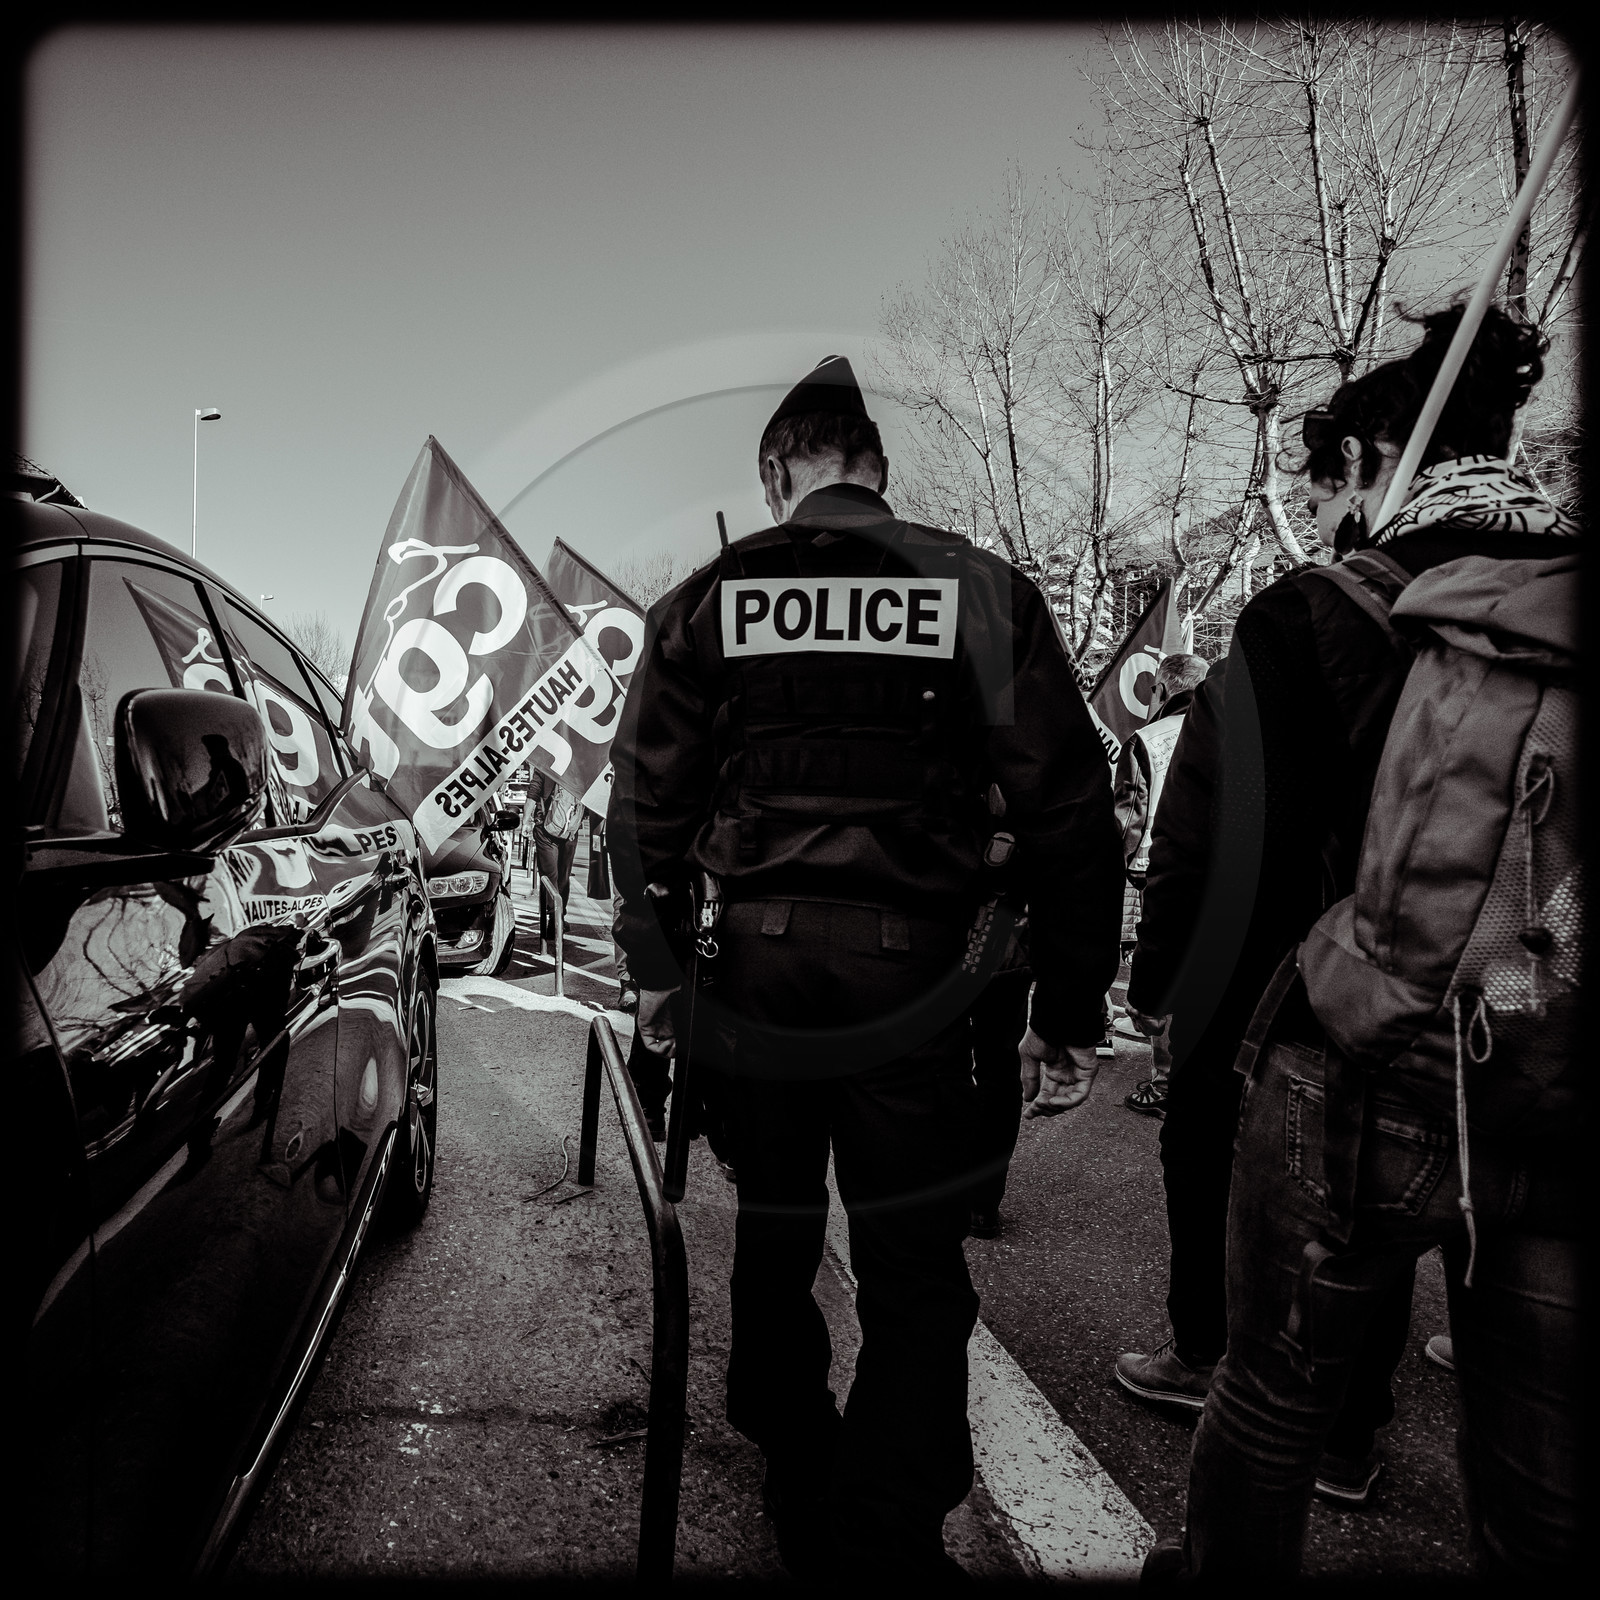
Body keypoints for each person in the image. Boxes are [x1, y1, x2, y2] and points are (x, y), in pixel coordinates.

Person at [608, 354, 1123, 1581]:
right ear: (877, 474)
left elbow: (645, 810)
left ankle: (795, 1460)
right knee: (909, 1268)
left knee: (776, 1234)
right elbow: (1069, 805)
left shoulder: (703, 600)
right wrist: (1069, 1004)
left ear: (779, 472)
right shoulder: (977, 588)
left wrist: (657, 971)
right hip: (913, 978)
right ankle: (882, 1527)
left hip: (756, 976)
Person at [1138, 303, 1579, 1581]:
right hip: (1546, 1054)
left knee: (1272, 1387)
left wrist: (1192, 1024)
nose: (1326, 505)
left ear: (1371, 456)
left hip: (1364, 1051)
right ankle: (1380, 1433)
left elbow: (1258, 865)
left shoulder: (1317, 607)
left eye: (1330, 475)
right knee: (1542, 1470)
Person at [1111, 653, 1208, 1117]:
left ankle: (1166, 1081)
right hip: (1220, 874)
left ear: (1163, 690)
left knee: (1162, 969)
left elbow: (1127, 818)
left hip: (1153, 870)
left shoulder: (1148, 739)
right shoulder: (1236, 731)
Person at [528, 767, 581, 940]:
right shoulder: (580, 765)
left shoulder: (544, 763)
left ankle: (553, 918)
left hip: (545, 827)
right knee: (563, 877)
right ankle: (559, 917)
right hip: (570, 829)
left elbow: (533, 791)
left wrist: (525, 821)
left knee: (549, 876)